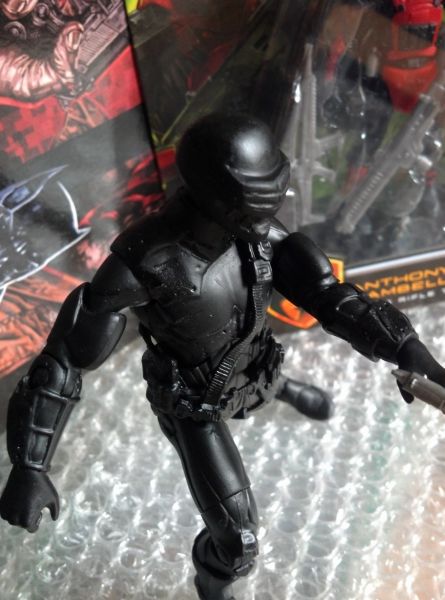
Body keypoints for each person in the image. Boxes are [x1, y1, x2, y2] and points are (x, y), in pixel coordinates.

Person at [1, 113, 444, 600]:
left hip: (256, 364)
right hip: (196, 404)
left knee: (263, 376)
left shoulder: (258, 237)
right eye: (257, 201)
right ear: (219, 196)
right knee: (237, 540)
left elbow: (327, 294)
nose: (271, 212)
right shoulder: (144, 264)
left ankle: (281, 390)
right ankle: (213, 588)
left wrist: (405, 346)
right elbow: (64, 359)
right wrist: (30, 465)